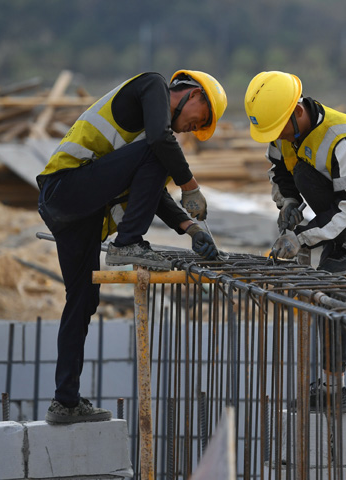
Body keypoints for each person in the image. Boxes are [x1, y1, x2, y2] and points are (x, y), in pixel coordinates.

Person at [36, 70, 227, 424]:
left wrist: (190, 227)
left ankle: (65, 401)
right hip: (64, 188)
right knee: (162, 148)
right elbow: (159, 142)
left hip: (79, 214)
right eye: (197, 120)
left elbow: (151, 186)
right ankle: (128, 243)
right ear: (194, 95)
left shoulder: (153, 137)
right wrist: (190, 185)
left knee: (82, 301)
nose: (190, 129)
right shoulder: (151, 85)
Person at [243, 70, 346, 410]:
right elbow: (279, 172)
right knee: (326, 295)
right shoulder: (284, 132)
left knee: (305, 174)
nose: (278, 138)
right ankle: (333, 384)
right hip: (343, 212)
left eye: (280, 130)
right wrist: (288, 205)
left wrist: (301, 238)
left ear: (297, 112)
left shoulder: (342, 138)